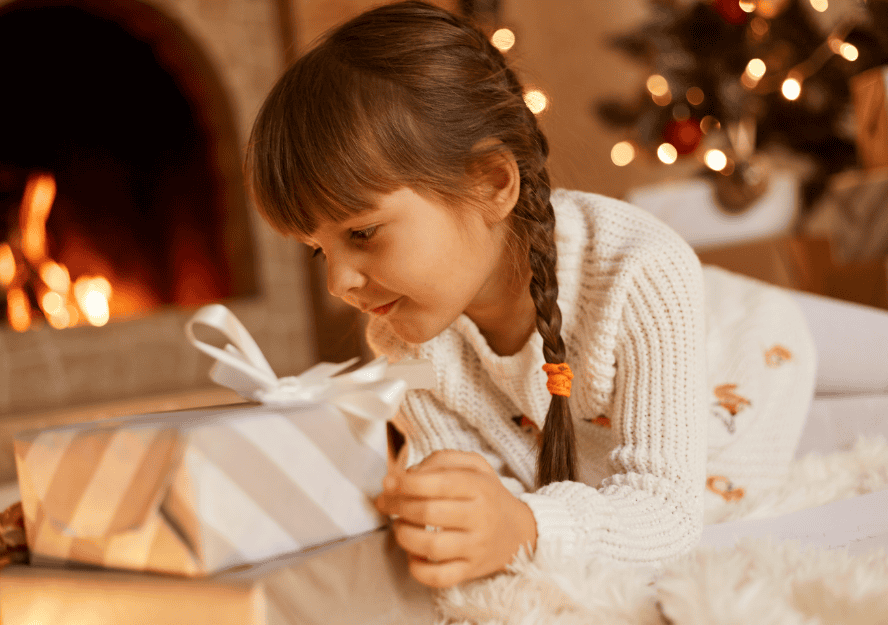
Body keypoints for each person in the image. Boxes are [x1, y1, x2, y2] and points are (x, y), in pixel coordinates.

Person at [245, 0, 886, 592]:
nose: (339, 285)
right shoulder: (401, 334)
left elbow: (664, 513)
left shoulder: (638, 269)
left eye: (363, 233)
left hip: (748, 339)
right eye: (319, 249)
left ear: (492, 183)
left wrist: (528, 526)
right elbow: (478, 488)